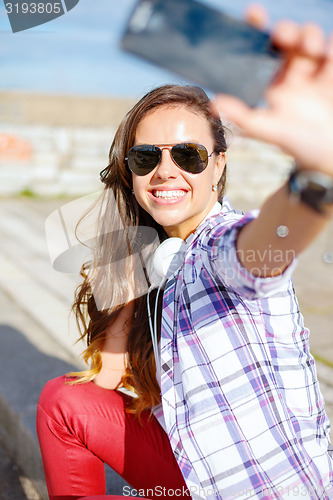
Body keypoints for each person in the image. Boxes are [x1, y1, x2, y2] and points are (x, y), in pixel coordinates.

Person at [36, 8, 333, 500]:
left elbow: (263, 252)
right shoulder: (163, 258)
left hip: (266, 490)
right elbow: (108, 375)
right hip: (197, 477)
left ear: (218, 165)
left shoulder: (218, 246)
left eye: (188, 155)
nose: (164, 171)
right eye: (146, 157)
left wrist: (316, 174)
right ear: (129, 172)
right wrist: (132, 287)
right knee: (64, 400)